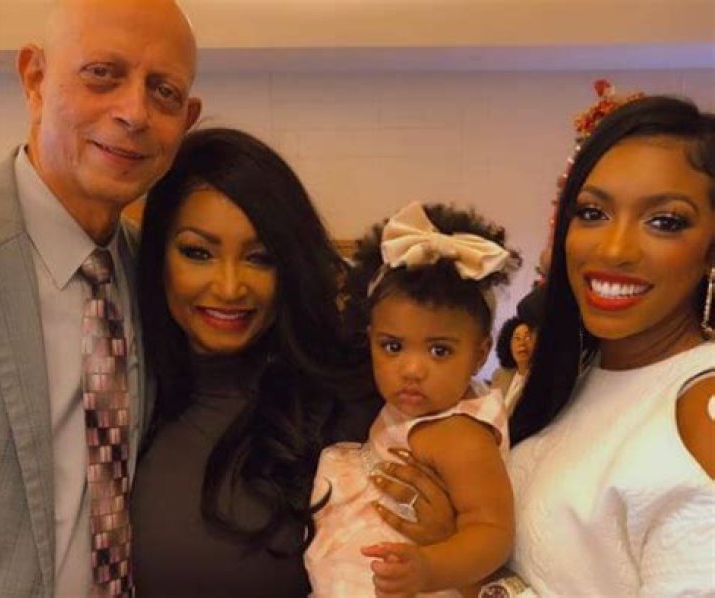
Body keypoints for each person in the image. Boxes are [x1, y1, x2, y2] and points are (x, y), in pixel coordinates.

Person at [130, 129, 451, 597]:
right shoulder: (128, 392)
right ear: (157, 257)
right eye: (198, 253)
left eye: (260, 258)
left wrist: (450, 554)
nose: (229, 287)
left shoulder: (364, 402)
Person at [0, 0, 201, 595]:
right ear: (35, 79)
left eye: (163, 92)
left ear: (186, 121)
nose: (133, 113)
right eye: (102, 74)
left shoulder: (162, 279)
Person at [504, 95, 715, 595]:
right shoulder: (572, 374)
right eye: (593, 212)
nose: (614, 249)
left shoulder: (701, 405)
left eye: (665, 221)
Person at [305, 201, 521, 597]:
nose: (412, 369)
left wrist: (429, 568)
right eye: (392, 346)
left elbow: (493, 532)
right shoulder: (407, 409)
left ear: (479, 354)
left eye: (439, 351)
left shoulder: (460, 435)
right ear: (369, 339)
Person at [491, 317, 537, 415]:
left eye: (528, 337)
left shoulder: (540, 379)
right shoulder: (499, 375)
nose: (522, 343)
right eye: (517, 338)